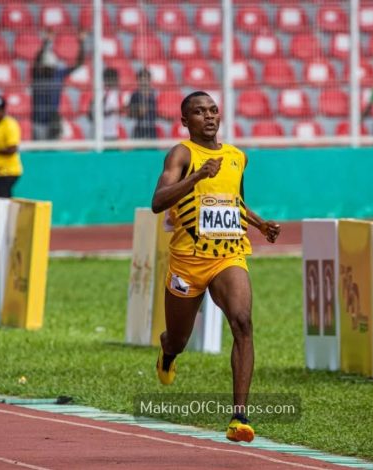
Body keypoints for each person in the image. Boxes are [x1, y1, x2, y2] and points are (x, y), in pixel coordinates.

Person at [150, 91, 281, 443]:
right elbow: (157, 202)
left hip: (228, 254)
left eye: (212, 110)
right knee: (179, 338)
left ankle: (239, 418)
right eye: (198, 112)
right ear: (185, 121)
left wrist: (259, 223)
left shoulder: (237, 157)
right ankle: (168, 353)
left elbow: (233, 201)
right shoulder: (181, 154)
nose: (208, 117)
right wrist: (196, 176)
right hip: (187, 262)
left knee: (242, 321)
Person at [31, 30, 87, 140]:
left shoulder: (58, 74)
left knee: (52, 153)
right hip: (38, 122)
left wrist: (81, 43)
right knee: (38, 153)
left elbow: (79, 64)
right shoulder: (37, 76)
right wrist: (46, 43)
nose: (49, 70)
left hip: (52, 123)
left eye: (51, 67)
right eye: (47, 67)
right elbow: (37, 61)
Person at [89, 67, 121, 140]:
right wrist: (111, 111)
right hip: (102, 133)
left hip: (113, 132)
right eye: (115, 79)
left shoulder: (115, 93)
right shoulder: (101, 93)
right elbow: (95, 113)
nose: (117, 81)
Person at [127, 68, 158, 139]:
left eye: (146, 79)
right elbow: (130, 113)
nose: (144, 82)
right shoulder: (135, 95)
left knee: (152, 149)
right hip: (139, 128)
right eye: (142, 79)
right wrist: (138, 111)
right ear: (138, 80)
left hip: (152, 128)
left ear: (149, 80)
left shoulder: (154, 94)